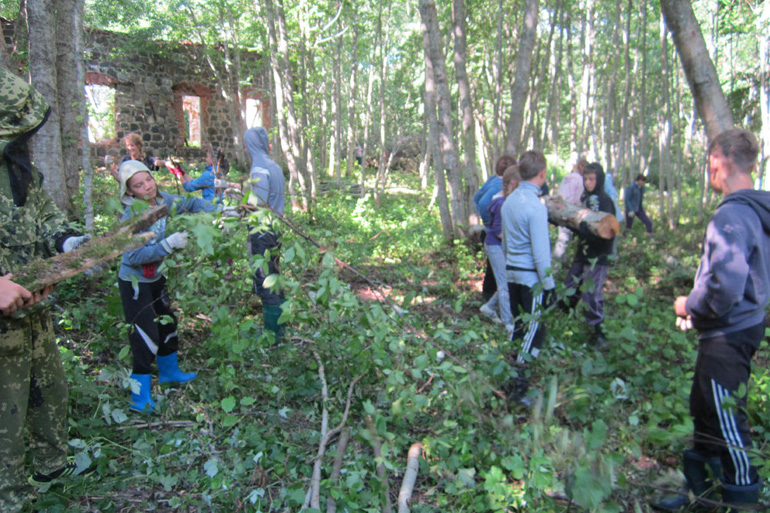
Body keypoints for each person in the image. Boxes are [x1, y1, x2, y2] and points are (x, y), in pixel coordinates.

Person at [656, 129, 768, 512]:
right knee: (705, 409)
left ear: (721, 161)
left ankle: (742, 499)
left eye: (709, 161)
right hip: (730, 327)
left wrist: (689, 305)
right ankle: (700, 496)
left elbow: (725, 287)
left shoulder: (734, 214)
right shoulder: (754, 210)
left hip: (729, 331)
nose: (708, 168)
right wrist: (702, 315)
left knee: (725, 417)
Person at [0, 66, 93, 513]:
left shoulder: (21, 173)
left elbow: (46, 217)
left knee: (49, 390)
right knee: (6, 411)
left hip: (33, 312)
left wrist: (69, 243)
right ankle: (11, 497)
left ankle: (52, 466)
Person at [117, 160, 221, 412]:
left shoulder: (163, 200)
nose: (147, 187)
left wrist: (220, 210)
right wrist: (168, 245)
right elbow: (131, 256)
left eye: (149, 180)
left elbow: (191, 203)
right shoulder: (132, 215)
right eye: (139, 185)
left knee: (168, 323)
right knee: (144, 337)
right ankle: (138, 398)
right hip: (135, 282)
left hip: (156, 278)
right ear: (129, 191)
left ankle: (169, 374)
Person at [501, 150, 555, 404]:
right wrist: (549, 284)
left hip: (512, 272)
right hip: (530, 279)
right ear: (542, 174)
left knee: (520, 326)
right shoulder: (536, 207)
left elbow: (505, 243)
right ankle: (519, 388)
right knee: (535, 330)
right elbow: (541, 254)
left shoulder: (509, 201)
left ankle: (508, 373)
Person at [561, 163, 616, 349]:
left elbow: (609, 232)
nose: (588, 182)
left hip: (598, 255)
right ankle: (562, 321)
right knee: (570, 284)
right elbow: (579, 222)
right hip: (582, 252)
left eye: (592, 179)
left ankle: (600, 334)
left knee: (591, 293)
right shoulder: (585, 198)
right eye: (586, 179)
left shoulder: (605, 201)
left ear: (599, 179)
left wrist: (590, 232)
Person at [245, 127, 287, 342]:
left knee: (265, 279)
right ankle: (281, 326)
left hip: (262, 231)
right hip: (276, 228)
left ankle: (272, 334)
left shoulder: (260, 168)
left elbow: (258, 204)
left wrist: (238, 209)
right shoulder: (273, 165)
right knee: (275, 274)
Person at [480, 165, 522, 333]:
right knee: (504, 284)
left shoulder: (509, 200)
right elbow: (498, 232)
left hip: (501, 246)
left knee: (509, 281)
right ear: (513, 182)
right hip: (494, 246)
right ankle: (508, 323)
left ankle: (489, 308)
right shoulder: (500, 202)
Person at [474, 155, 517, 307]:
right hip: (494, 233)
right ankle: (492, 300)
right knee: (498, 271)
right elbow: (482, 200)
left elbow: (477, 197)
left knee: (494, 268)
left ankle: (489, 299)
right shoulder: (498, 184)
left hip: (492, 232)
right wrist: (488, 221)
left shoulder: (493, 180)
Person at [552, 157, 587, 261]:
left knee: (563, 238)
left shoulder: (567, 177)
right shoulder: (580, 180)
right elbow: (578, 199)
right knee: (564, 240)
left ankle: (563, 262)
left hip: (559, 208)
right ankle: (555, 265)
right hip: (569, 210)